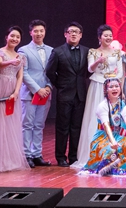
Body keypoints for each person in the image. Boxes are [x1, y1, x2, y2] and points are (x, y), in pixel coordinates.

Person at [74, 25, 125, 168]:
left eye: (110, 35)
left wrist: (114, 85)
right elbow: (90, 69)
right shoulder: (93, 52)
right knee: (94, 117)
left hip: (112, 86)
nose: (108, 38)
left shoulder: (117, 53)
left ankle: (112, 152)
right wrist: (98, 61)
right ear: (99, 37)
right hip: (97, 85)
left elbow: (120, 73)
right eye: (105, 35)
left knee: (113, 117)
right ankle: (92, 154)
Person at [0, 26, 30, 173]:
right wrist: (11, 62)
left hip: (12, 90)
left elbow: (20, 76)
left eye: (18, 37)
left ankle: (9, 160)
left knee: (10, 122)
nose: (15, 39)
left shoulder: (21, 56)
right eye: (12, 36)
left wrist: (17, 92)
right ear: (6, 37)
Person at [45, 22, 90, 167]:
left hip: (81, 94)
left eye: (77, 32)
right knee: (62, 127)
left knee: (77, 127)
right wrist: (60, 85)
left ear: (81, 35)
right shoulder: (58, 51)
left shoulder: (87, 51)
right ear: (65, 34)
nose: (74, 34)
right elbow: (50, 71)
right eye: (71, 31)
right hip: (64, 94)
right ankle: (60, 157)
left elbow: (89, 71)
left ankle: (74, 156)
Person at [18, 20, 53, 168]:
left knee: (39, 125)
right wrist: (37, 89)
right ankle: (26, 155)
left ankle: (37, 154)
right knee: (27, 124)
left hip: (46, 94)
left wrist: (48, 87)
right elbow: (23, 73)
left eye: (41, 31)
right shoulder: (23, 50)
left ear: (45, 32)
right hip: (29, 93)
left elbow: (53, 71)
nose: (39, 33)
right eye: (36, 31)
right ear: (31, 32)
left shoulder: (51, 50)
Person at [78, 77, 126, 176]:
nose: (114, 89)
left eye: (117, 86)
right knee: (110, 150)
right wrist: (113, 142)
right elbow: (106, 126)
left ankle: (124, 167)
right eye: (111, 87)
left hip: (118, 135)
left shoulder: (122, 104)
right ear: (106, 90)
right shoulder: (103, 106)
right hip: (103, 137)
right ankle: (108, 168)